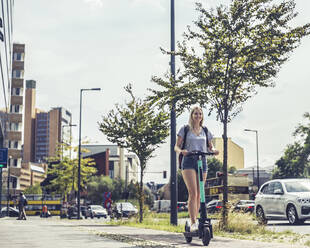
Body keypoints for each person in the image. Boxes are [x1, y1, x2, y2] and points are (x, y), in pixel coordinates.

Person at [174, 106, 219, 232]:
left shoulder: (205, 130)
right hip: (188, 161)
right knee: (193, 193)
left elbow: (210, 146)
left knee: (200, 194)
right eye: (195, 114)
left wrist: (214, 150)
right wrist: (181, 151)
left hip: (202, 161)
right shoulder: (185, 129)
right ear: (192, 115)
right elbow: (176, 147)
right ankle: (193, 222)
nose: (198, 116)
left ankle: (198, 219)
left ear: (202, 116)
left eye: (200, 114)